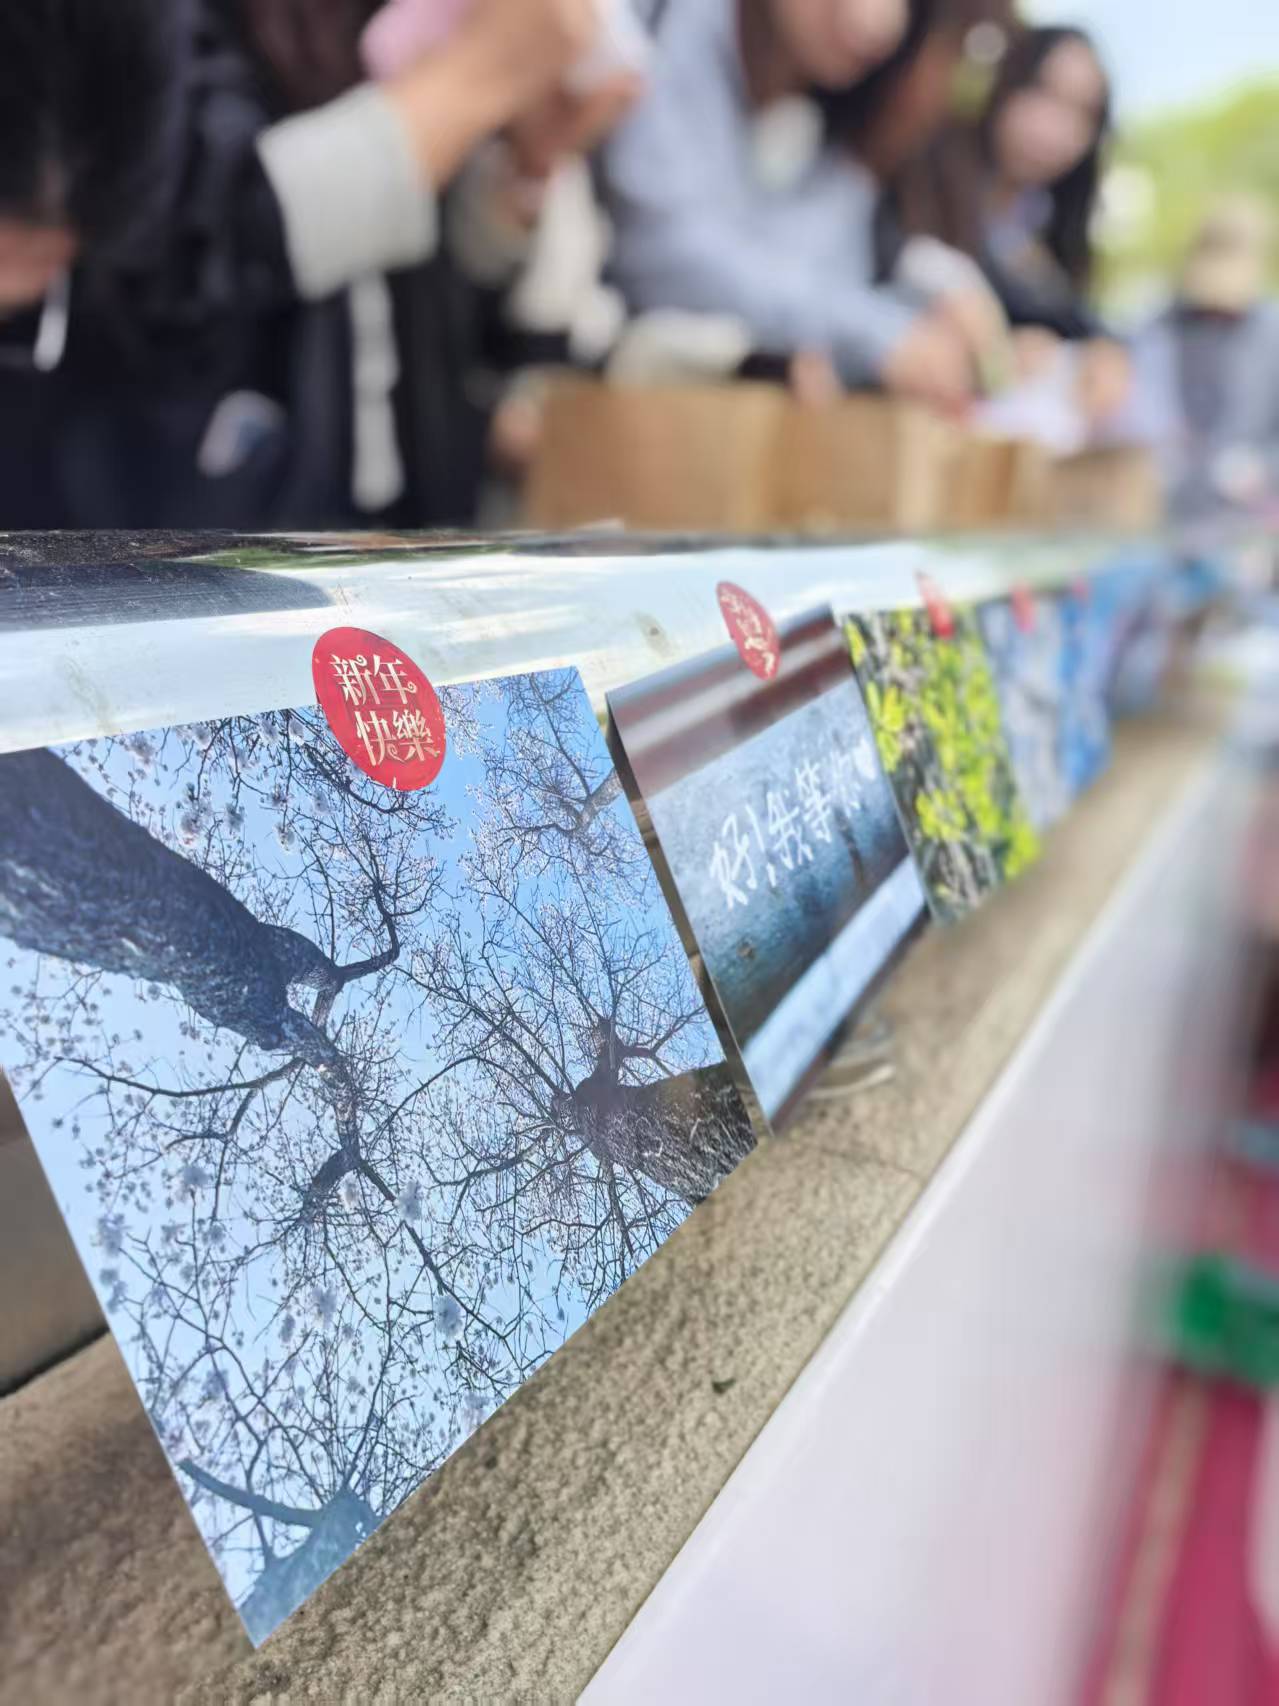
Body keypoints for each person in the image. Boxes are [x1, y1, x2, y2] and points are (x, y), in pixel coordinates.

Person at [0, 0, 636, 529]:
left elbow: (452, 278)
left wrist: (526, 168)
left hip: (405, 497)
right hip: (187, 518)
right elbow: (189, 232)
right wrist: (474, 78)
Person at [597, 0, 981, 411]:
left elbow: (814, 280)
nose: (880, 21)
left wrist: (917, 313)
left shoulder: (824, 101)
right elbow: (663, 254)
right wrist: (874, 332)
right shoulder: (674, 27)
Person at [886, 22, 1130, 419]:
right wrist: (971, 316)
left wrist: (1103, 352)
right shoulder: (921, 171)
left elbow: (1071, 316)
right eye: (1043, 92)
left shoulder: (1046, 235)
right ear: (1004, 81)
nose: (1054, 127)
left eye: (1083, 113)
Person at [1134, 196, 1279, 521]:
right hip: (1168, 505)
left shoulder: (1271, 334)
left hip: (1247, 514)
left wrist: (1260, 466)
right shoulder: (1159, 329)